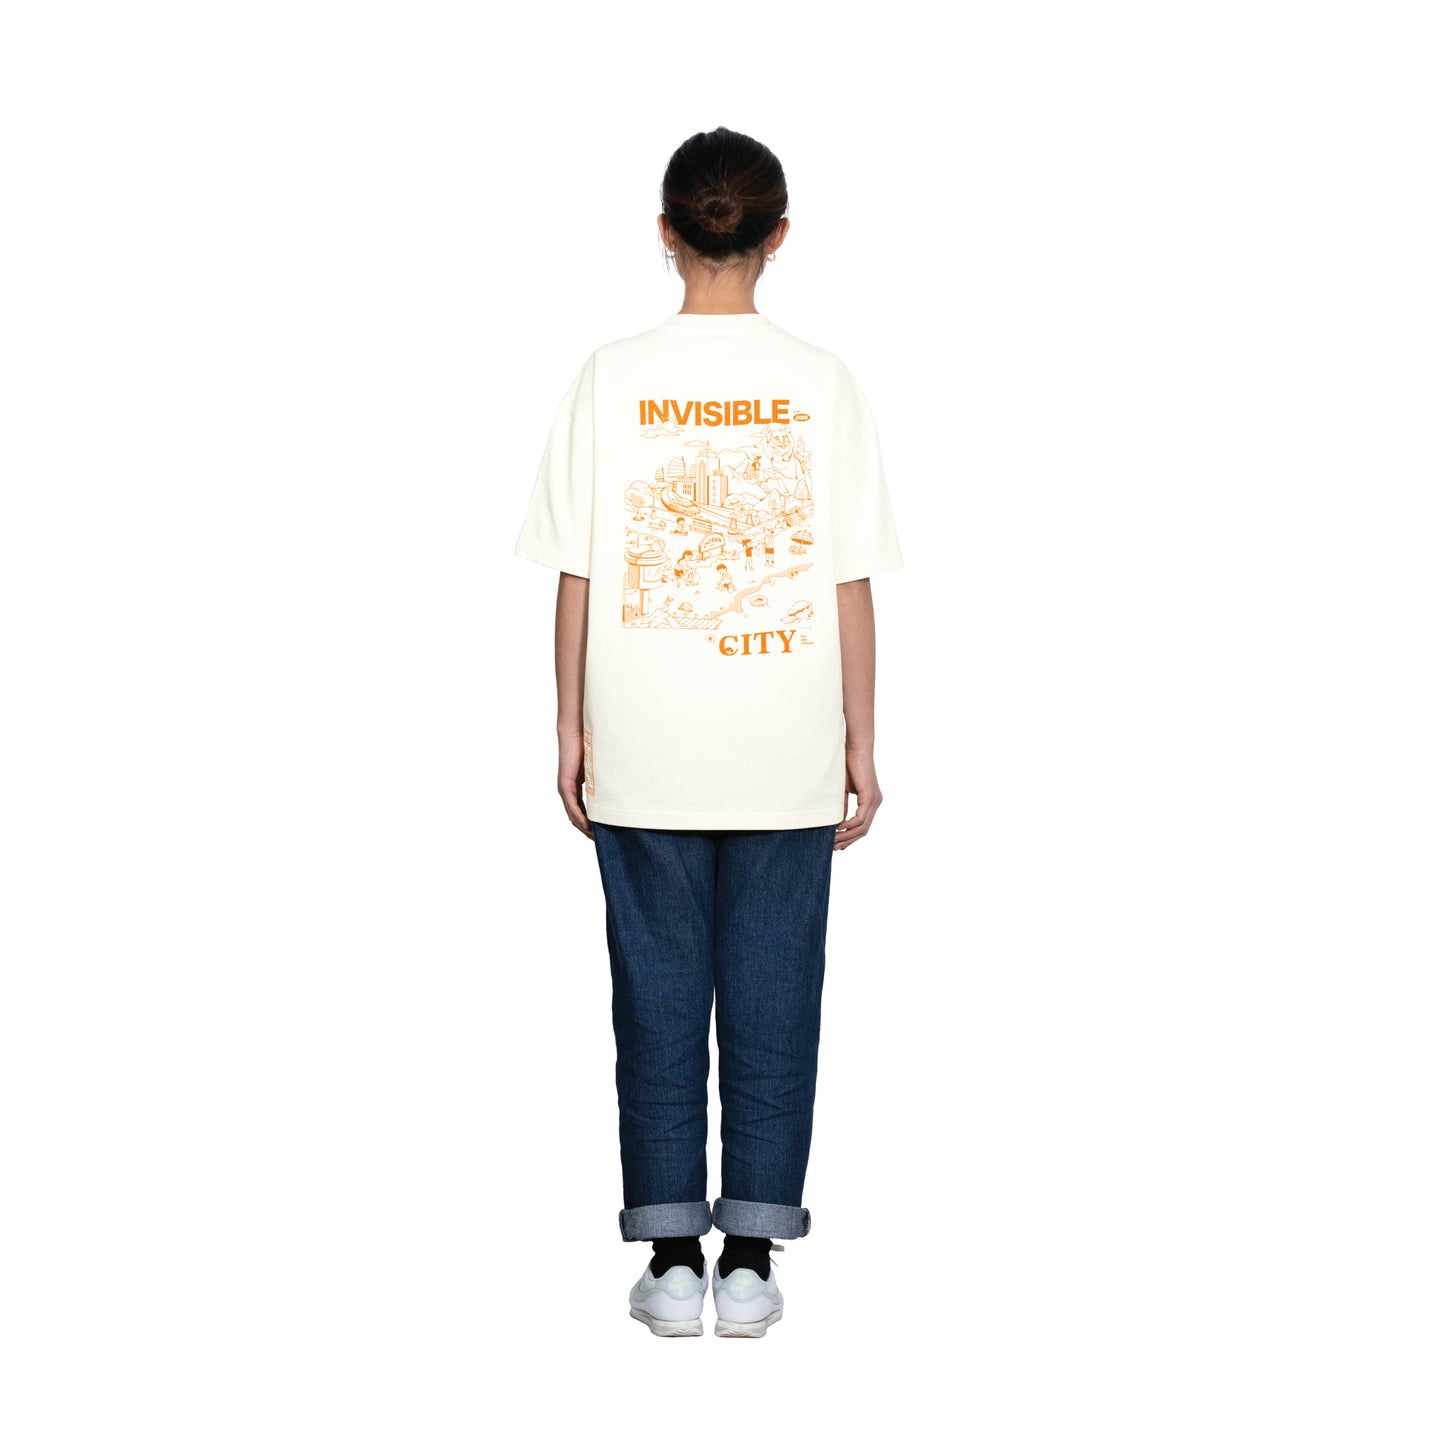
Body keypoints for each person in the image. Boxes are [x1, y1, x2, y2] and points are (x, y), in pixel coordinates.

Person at [513, 125, 903, 1338]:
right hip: (783, 738)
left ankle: (671, 1258)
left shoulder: (607, 376)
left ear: (666, 232)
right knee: (777, 995)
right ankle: (751, 1259)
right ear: (777, 236)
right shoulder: (822, 380)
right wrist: (860, 737)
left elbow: (576, 570)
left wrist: (568, 722)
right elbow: (847, 577)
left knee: (657, 998)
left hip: (645, 738)